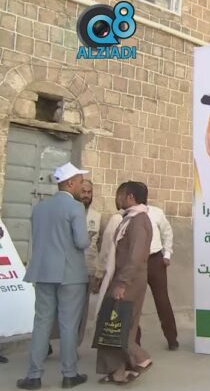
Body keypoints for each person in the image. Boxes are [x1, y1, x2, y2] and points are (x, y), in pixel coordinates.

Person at [17, 162, 90, 390]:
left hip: (43, 272)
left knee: (41, 324)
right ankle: (69, 374)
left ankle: (34, 376)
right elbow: (81, 241)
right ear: (70, 183)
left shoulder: (40, 208)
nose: (82, 186)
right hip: (70, 274)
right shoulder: (76, 208)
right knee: (68, 325)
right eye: (80, 182)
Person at [96, 182, 153, 385]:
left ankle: (141, 359)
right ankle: (117, 371)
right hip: (123, 278)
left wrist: (121, 282)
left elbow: (135, 256)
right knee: (116, 326)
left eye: (120, 195)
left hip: (128, 281)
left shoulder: (138, 221)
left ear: (130, 197)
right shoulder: (130, 219)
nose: (117, 199)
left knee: (118, 326)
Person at [49, 180, 102, 353]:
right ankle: (47, 341)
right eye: (83, 191)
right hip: (64, 267)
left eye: (89, 192)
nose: (86, 195)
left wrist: (97, 273)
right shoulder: (66, 211)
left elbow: (98, 246)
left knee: (81, 311)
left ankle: (72, 347)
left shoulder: (97, 217)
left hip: (87, 269)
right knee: (56, 306)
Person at [135, 204, 178, 350]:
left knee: (162, 300)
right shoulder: (128, 214)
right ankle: (135, 342)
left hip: (155, 260)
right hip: (137, 261)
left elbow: (167, 232)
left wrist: (167, 254)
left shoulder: (156, 212)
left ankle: (172, 338)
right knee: (134, 302)